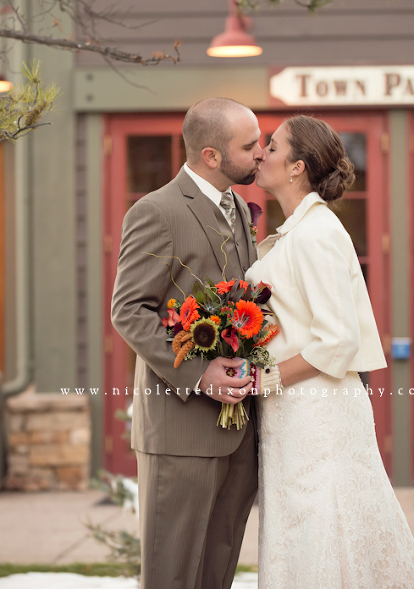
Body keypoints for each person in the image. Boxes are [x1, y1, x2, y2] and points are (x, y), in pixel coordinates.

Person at [246, 115, 414, 589]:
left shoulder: (318, 234)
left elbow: (337, 339)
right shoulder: (299, 230)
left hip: (317, 414)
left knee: (320, 526)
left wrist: (262, 381)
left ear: (297, 167)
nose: (260, 154)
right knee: (305, 527)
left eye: (271, 147)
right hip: (294, 411)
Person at [111, 97, 263, 589]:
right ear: (212, 156)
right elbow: (129, 310)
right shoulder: (156, 211)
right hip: (180, 429)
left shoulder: (239, 206)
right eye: (250, 145)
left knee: (217, 571)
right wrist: (199, 374)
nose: (260, 153)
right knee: (172, 573)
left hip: (239, 431)